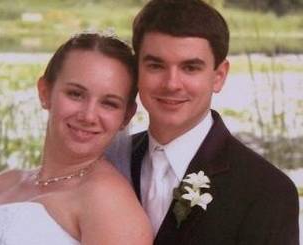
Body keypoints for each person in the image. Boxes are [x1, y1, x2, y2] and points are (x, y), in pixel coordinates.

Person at [107, 0, 300, 244]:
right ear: (137, 71)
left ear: (219, 76)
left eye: (190, 68)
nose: (171, 84)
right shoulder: (109, 161)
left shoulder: (268, 191)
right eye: (156, 65)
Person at [0, 33, 153, 245]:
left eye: (109, 103)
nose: (88, 116)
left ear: (126, 116)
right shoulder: (3, 184)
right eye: (76, 94)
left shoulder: (109, 204)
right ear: (45, 92)